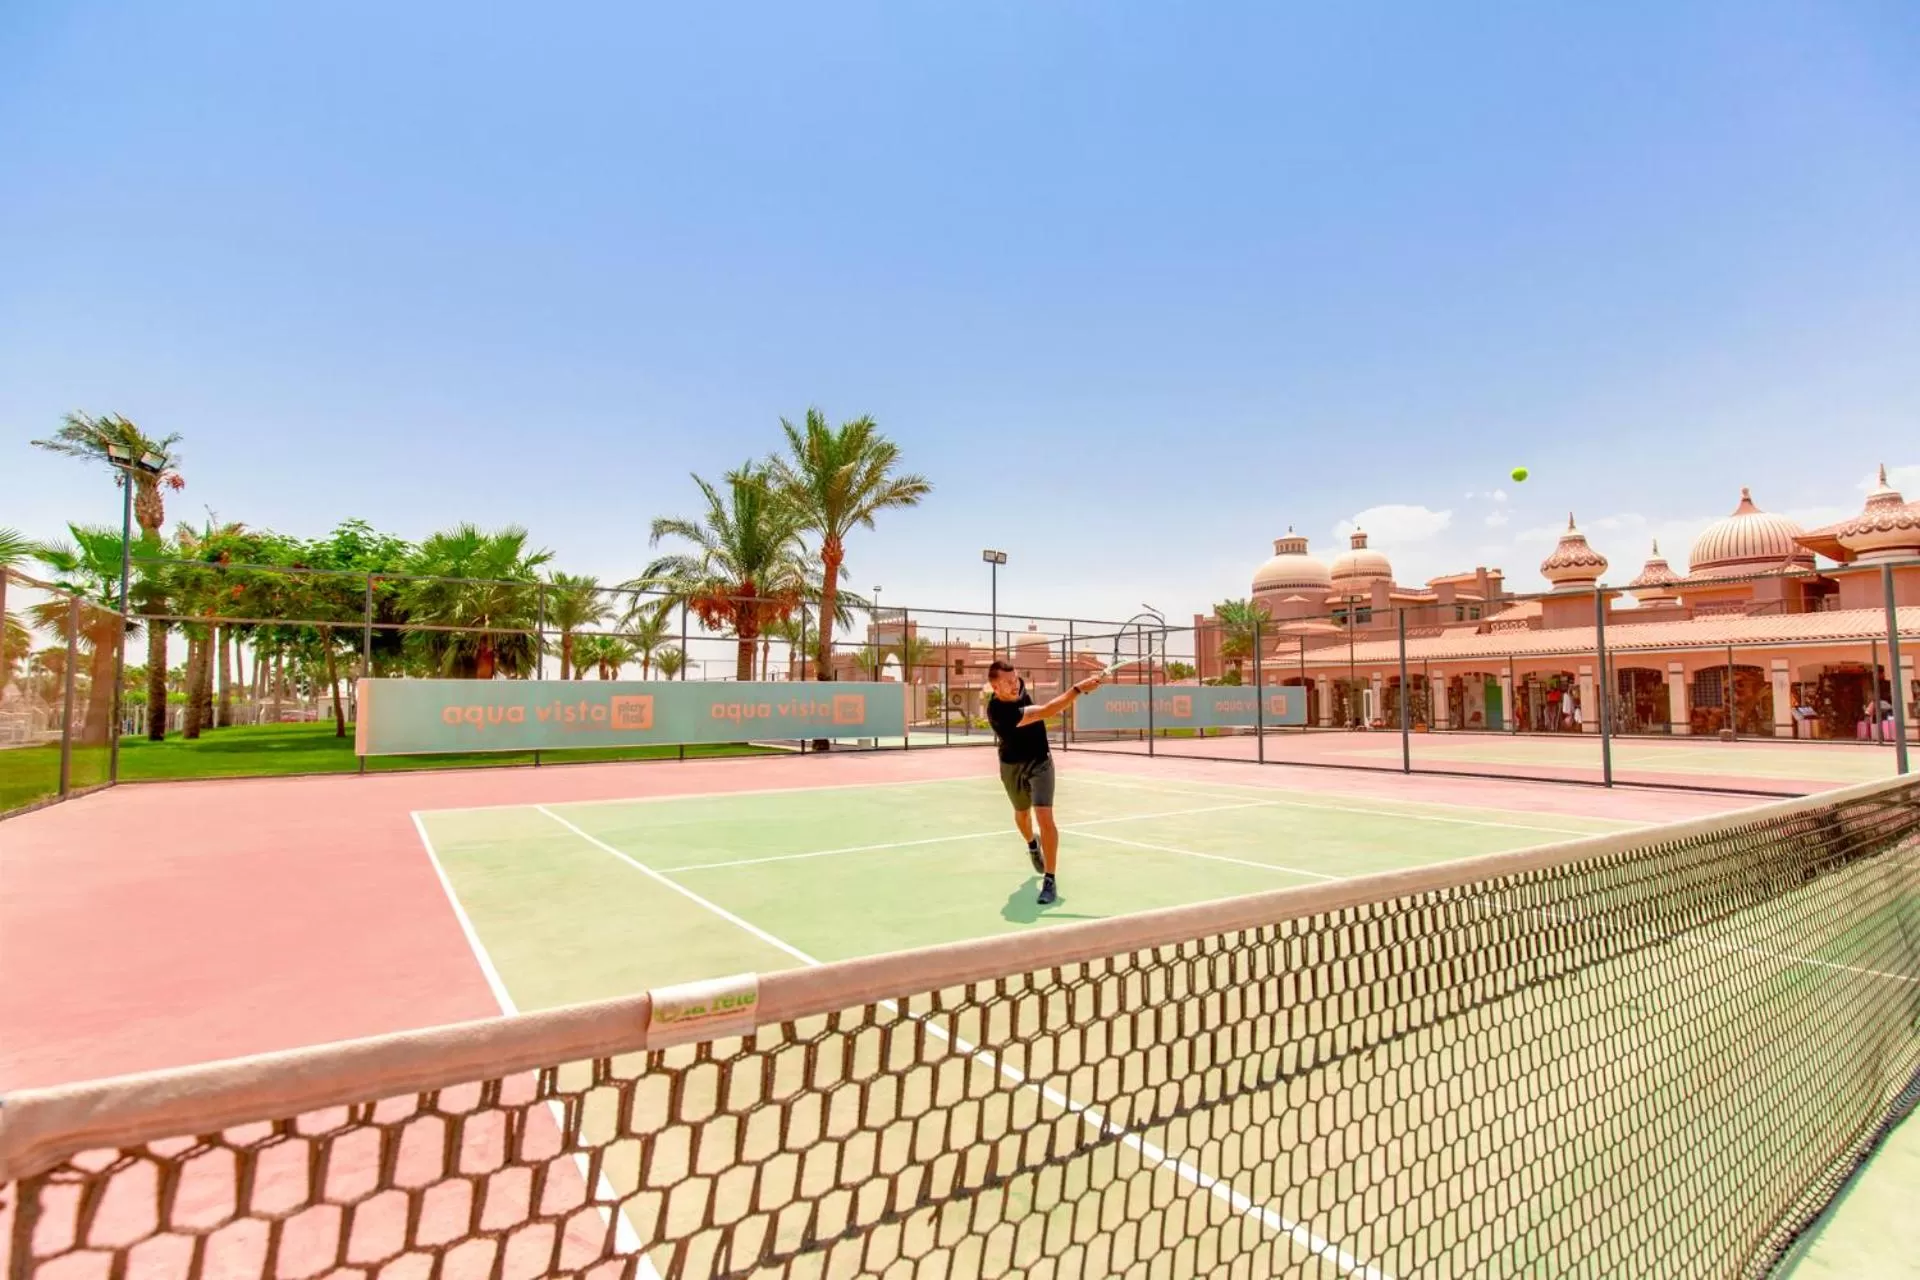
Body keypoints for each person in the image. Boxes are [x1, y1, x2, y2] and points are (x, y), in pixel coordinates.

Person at [985, 659, 1104, 906]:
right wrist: (1079, 689)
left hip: (1040, 762)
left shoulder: (1019, 688)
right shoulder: (999, 712)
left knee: (1045, 818)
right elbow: (1048, 711)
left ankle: (1050, 879)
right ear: (994, 687)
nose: (1014, 684)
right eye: (1007, 682)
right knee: (1022, 816)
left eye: (1015, 678)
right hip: (1012, 766)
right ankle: (1031, 844)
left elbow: (1040, 702)